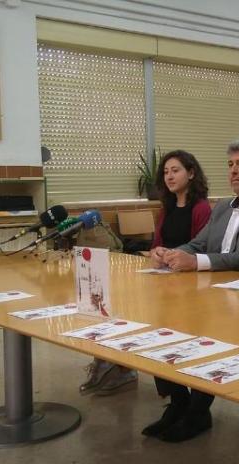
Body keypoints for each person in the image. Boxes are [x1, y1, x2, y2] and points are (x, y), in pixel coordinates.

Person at [142, 139, 239, 443]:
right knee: (159, 325)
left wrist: (196, 261)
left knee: (204, 335)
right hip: (210, 292)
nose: (233, 172)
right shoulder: (224, 206)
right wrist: (171, 253)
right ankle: (178, 402)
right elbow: (199, 243)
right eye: (230, 165)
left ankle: (198, 411)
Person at [79, 150, 211, 397]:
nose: (169, 176)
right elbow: (156, 244)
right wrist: (157, 252)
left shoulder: (201, 208)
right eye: (166, 172)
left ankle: (180, 393)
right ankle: (120, 366)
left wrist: (172, 256)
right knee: (125, 307)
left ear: (191, 173)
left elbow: (201, 247)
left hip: (190, 284)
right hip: (164, 278)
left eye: (176, 170)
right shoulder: (167, 208)